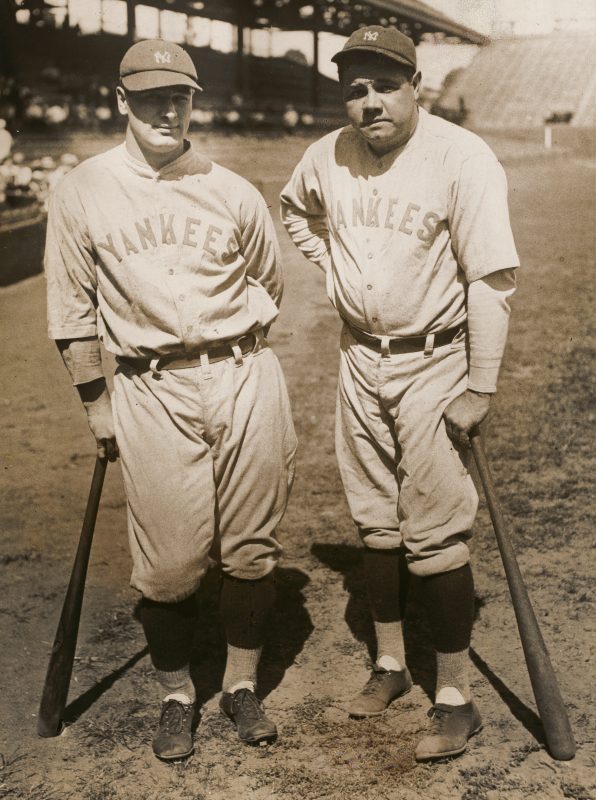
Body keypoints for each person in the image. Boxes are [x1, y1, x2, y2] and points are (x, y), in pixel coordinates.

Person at [45, 39, 297, 761]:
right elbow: (71, 310)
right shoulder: (83, 189)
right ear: (121, 100)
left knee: (250, 551)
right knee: (168, 567)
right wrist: (96, 404)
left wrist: (231, 350)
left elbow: (269, 283)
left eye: (179, 97)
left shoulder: (232, 189)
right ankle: (178, 695)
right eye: (152, 97)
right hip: (150, 385)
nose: (167, 111)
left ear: (193, 102)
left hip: (243, 372)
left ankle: (241, 687)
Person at [280, 25, 519, 761]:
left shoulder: (462, 157)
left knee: (437, 532)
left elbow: (491, 280)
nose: (370, 103)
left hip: (434, 360)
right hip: (359, 358)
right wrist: (334, 266)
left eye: (386, 86)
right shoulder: (326, 154)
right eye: (356, 90)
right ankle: (390, 664)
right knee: (376, 522)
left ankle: (455, 699)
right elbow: (295, 212)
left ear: (417, 86)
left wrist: (479, 386)